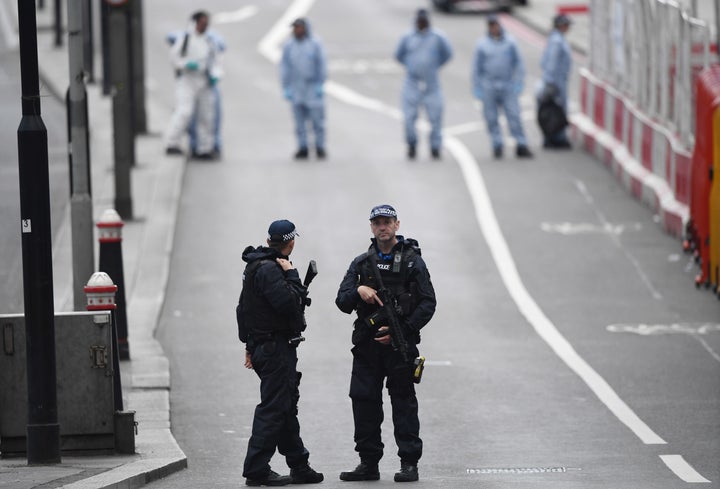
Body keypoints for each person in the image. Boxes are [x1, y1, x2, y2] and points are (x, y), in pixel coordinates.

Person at [335, 205, 436, 483]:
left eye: (387, 222)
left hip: (398, 346)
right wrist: (358, 290)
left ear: (396, 225)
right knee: (363, 401)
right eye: (377, 223)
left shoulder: (413, 262)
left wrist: (400, 330)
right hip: (367, 348)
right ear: (371, 227)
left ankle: (409, 463)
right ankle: (368, 462)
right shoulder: (361, 263)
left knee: (403, 402)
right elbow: (342, 301)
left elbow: (428, 303)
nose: (382, 227)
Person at [236, 220, 323, 486]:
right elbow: (289, 303)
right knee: (274, 408)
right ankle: (256, 469)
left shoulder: (254, 265)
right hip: (276, 349)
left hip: (265, 346)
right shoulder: (273, 269)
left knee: (284, 406)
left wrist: (249, 345)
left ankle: (299, 464)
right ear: (291, 242)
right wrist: (293, 275)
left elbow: (244, 311)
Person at [471, 14, 533, 159]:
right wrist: (477, 87)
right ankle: (497, 144)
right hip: (489, 86)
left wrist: (519, 82)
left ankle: (521, 144)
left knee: (514, 115)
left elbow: (519, 64)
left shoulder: (510, 43)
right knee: (491, 118)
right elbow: (476, 68)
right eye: (491, 25)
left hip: (507, 85)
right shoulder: (482, 45)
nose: (494, 28)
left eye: (496, 25)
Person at [164, 11, 223, 160]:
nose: (204, 26)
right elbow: (174, 58)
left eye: (206, 23)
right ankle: (172, 143)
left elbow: (216, 62)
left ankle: (204, 148)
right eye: (202, 23)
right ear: (195, 22)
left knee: (206, 115)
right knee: (184, 111)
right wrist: (186, 64)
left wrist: (215, 76)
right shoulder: (185, 38)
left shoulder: (210, 41)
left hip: (204, 81)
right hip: (187, 80)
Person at [395, 9, 453, 160]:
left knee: (435, 117)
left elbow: (447, 54)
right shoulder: (407, 37)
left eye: (424, 20)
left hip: (431, 83)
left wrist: (433, 67)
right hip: (412, 82)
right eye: (419, 21)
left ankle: (435, 147)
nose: (422, 23)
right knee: (409, 117)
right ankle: (412, 145)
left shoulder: (438, 37)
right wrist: (411, 66)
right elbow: (398, 55)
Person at [280, 18, 327, 160]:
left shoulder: (315, 44)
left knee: (317, 120)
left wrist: (320, 83)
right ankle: (302, 147)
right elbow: (285, 67)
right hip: (296, 87)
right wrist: (286, 86)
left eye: (299, 28)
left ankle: (320, 147)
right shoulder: (289, 46)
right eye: (295, 28)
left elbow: (322, 65)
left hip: (312, 86)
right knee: (299, 122)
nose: (297, 30)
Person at [538, 14, 573, 149]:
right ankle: (556, 138)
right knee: (556, 112)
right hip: (556, 83)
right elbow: (550, 63)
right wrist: (551, 82)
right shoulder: (557, 41)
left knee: (555, 111)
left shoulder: (556, 39)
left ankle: (555, 137)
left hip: (558, 81)